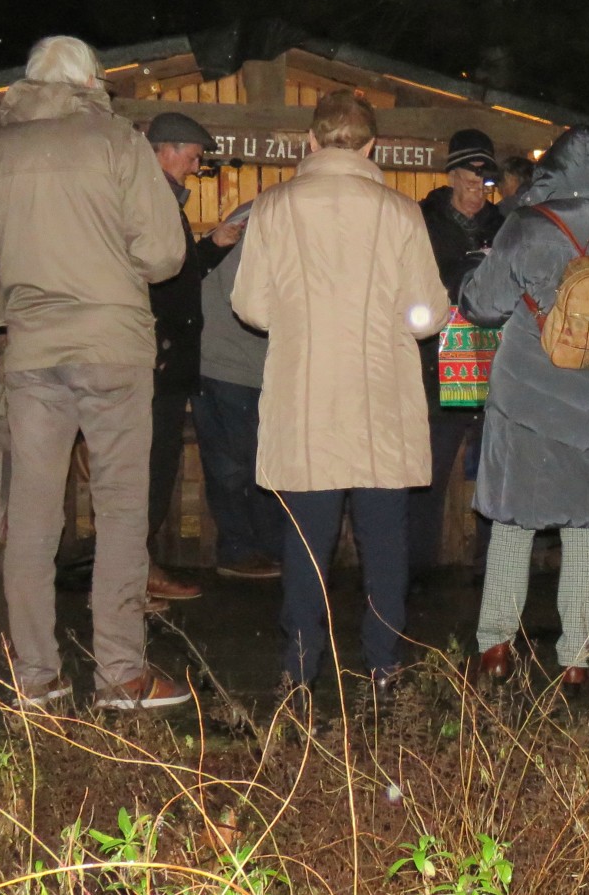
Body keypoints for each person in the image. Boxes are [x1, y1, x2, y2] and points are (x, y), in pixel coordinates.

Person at [0, 35, 192, 710]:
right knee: (119, 510)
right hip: (113, 347)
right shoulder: (117, 142)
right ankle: (119, 672)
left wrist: (17, 310)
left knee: (30, 514)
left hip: (34, 354)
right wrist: (110, 277)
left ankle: (34, 676)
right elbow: (166, 253)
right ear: (90, 82)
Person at [231, 90, 449, 696]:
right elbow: (428, 315)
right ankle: (382, 666)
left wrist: (303, 317)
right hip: (380, 397)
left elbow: (248, 306)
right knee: (384, 541)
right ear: (373, 146)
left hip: (306, 400)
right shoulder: (401, 214)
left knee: (307, 544)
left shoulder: (273, 207)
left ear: (310, 141)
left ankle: (298, 670)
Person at [460, 126, 589, 687]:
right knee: (586, 530)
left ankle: (496, 646)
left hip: (530, 396)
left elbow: (484, 303)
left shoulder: (529, 223)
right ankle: (578, 659)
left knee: (514, 521)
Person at [141, 112, 244, 605]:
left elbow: (176, 273)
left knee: (153, 466)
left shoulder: (161, 198)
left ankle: (132, 570)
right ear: (167, 150)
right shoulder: (149, 198)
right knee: (149, 467)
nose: (198, 165)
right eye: (193, 155)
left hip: (163, 358)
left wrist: (213, 246)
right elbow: (155, 282)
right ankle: (133, 572)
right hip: (154, 359)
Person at [411, 130, 505, 573]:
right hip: (434, 368)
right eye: (469, 174)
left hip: (493, 368)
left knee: (494, 475)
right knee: (427, 477)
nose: (476, 185)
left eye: (484, 177)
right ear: (451, 174)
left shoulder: (505, 227)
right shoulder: (421, 221)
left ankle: (491, 569)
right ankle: (418, 567)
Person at [192, 203, 288, 579]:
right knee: (254, 465)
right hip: (242, 366)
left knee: (230, 466)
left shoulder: (244, 223)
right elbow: (257, 304)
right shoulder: (268, 227)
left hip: (215, 362)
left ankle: (241, 549)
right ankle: (251, 550)